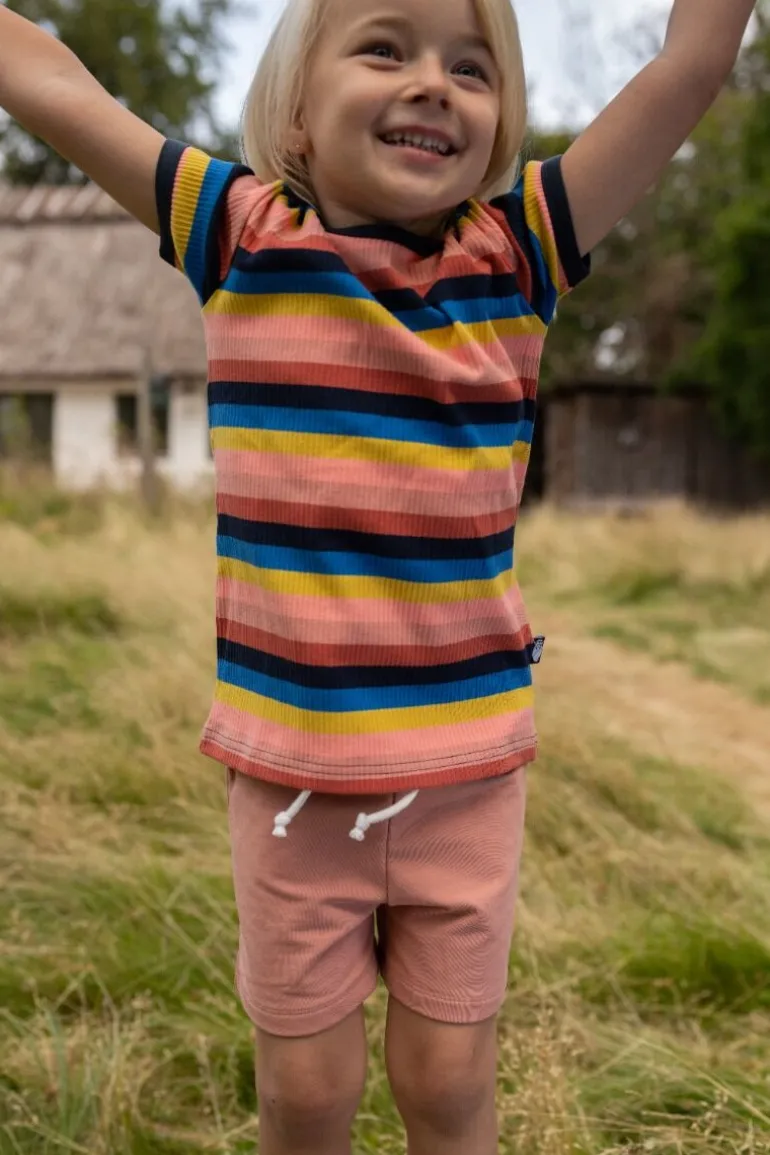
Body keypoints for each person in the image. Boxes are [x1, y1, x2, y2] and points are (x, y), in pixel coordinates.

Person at [0, 0, 757, 1150]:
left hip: (465, 777)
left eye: (472, 68)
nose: (433, 83)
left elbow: (687, 69)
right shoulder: (239, 237)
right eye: (384, 48)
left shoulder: (518, 254)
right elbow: (55, 86)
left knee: (446, 1081)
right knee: (305, 1094)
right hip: (292, 779)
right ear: (298, 112)